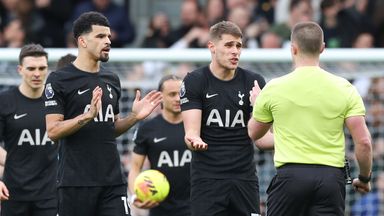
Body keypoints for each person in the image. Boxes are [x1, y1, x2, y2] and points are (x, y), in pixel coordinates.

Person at [248, 21, 373, 216]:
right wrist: (364, 178)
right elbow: (364, 142)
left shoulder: (275, 88)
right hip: (331, 180)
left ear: (293, 48)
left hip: (290, 179)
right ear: (322, 48)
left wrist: (258, 106)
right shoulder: (344, 88)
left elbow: (256, 135)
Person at [43, 11, 162, 216]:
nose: (107, 41)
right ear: (82, 41)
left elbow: (110, 128)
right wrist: (85, 117)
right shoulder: (59, 79)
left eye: (108, 36)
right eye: (100, 36)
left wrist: (134, 117)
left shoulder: (111, 78)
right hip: (75, 183)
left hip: (112, 182)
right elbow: (53, 131)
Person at [180, 20, 266, 216]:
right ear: (212, 47)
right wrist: (195, 139)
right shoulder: (195, 80)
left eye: (238, 46)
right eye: (228, 45)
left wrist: (290, 139)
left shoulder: (254, 82)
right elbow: (191, 133)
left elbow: (260, 137)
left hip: (244, 178)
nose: (235, 51)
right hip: (208, 179)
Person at [0, 44, 58, 215]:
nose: (37, 74)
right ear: (20, 69)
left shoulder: (57, 101)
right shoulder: (5, 101)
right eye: (31, 68)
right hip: (13, 194)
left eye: (42, 68)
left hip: (49, 195)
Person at [128, 74, 191, 216]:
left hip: (196, 206)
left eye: (180, 93)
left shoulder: (197, 125)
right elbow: (135, 168)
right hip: (159, 206)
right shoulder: (147, 128)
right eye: (172, 94)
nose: (177, 98)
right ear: (160, 96)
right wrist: (135, 196)